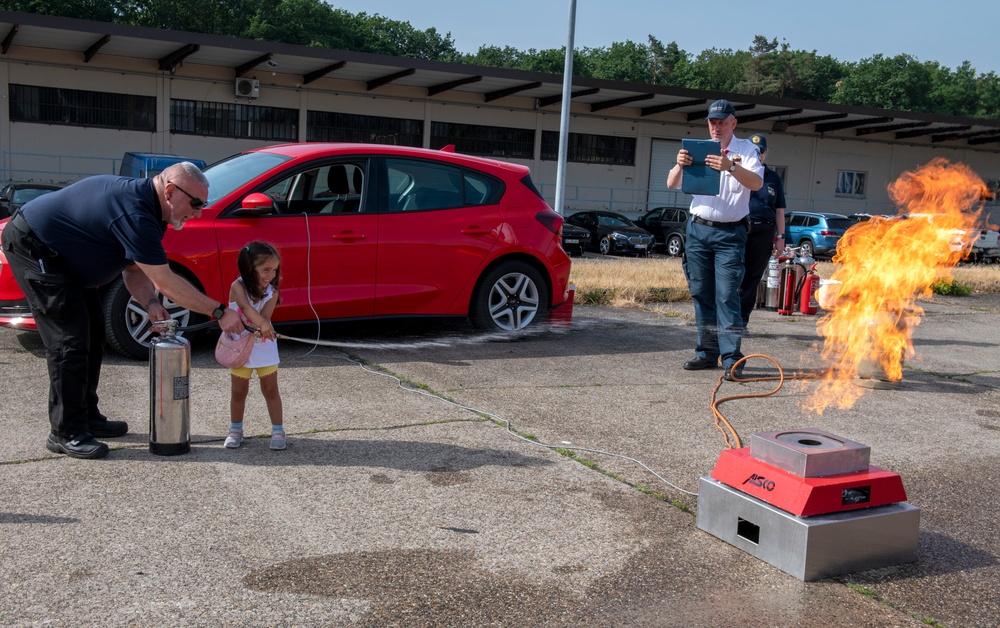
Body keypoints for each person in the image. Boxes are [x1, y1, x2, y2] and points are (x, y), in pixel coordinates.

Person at [1, 162, 245, 459]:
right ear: (170, 191)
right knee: (70, 341)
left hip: (66, 258)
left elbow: (133, 270)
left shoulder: (152, 213)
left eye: (203, 205)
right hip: (36, 246)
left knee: (93, 333)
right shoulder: (137, 212)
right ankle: (65, 432)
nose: (197, 212)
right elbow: (165, 281)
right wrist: (219, 312)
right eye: (195, 204)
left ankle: (87, 417)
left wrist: (151, 304)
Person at [667, 99, 764, 381]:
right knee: (701, 293)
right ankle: (706, 353)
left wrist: (729, 167)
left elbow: (756, 184)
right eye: (712, 122)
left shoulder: (746, 150)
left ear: (734, 122)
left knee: (727, 295)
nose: (716, 127)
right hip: (698, 230)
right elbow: (672, 183)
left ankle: (732, 358)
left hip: (730, 233)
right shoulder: (697, 149)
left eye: (722, 122)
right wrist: (679, 164)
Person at [223, 242, 285, 451]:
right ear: (250, 268)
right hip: (239, 347)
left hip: (264, 347)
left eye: (274, 270)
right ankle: (235, 429)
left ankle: (277, 430)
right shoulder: (237, 286)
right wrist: (262, 324)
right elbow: (245, 307)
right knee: (239, 391)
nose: (271, 275)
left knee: (271, 389)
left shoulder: (272, 290)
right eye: (266, 269)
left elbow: (265, 316)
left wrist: (264, 326)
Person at [739, 133, 787, 328]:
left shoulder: (773, 177)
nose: (757, 154)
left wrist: (781, 237)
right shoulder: (739, 172)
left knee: (753, 276)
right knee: (734, 274)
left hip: (764, 231)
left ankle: (741, 321)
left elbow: (780, 210)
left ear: (766, 153)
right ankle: (726, 320)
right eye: (753, 151)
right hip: (740, 227)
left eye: (760, 151)